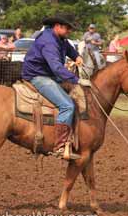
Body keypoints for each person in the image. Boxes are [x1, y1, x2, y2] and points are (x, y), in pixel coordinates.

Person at [21, 13, 87, 160]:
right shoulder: (49, 42)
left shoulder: (60, 38)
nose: (69, 31)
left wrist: (76, 56)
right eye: (67, 28)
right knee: (67, 105)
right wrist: (76, 79)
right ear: (58, 26)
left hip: (48, 74)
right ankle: (59, 146)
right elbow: (56, 67)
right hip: (38, 76)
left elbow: (69, 49)